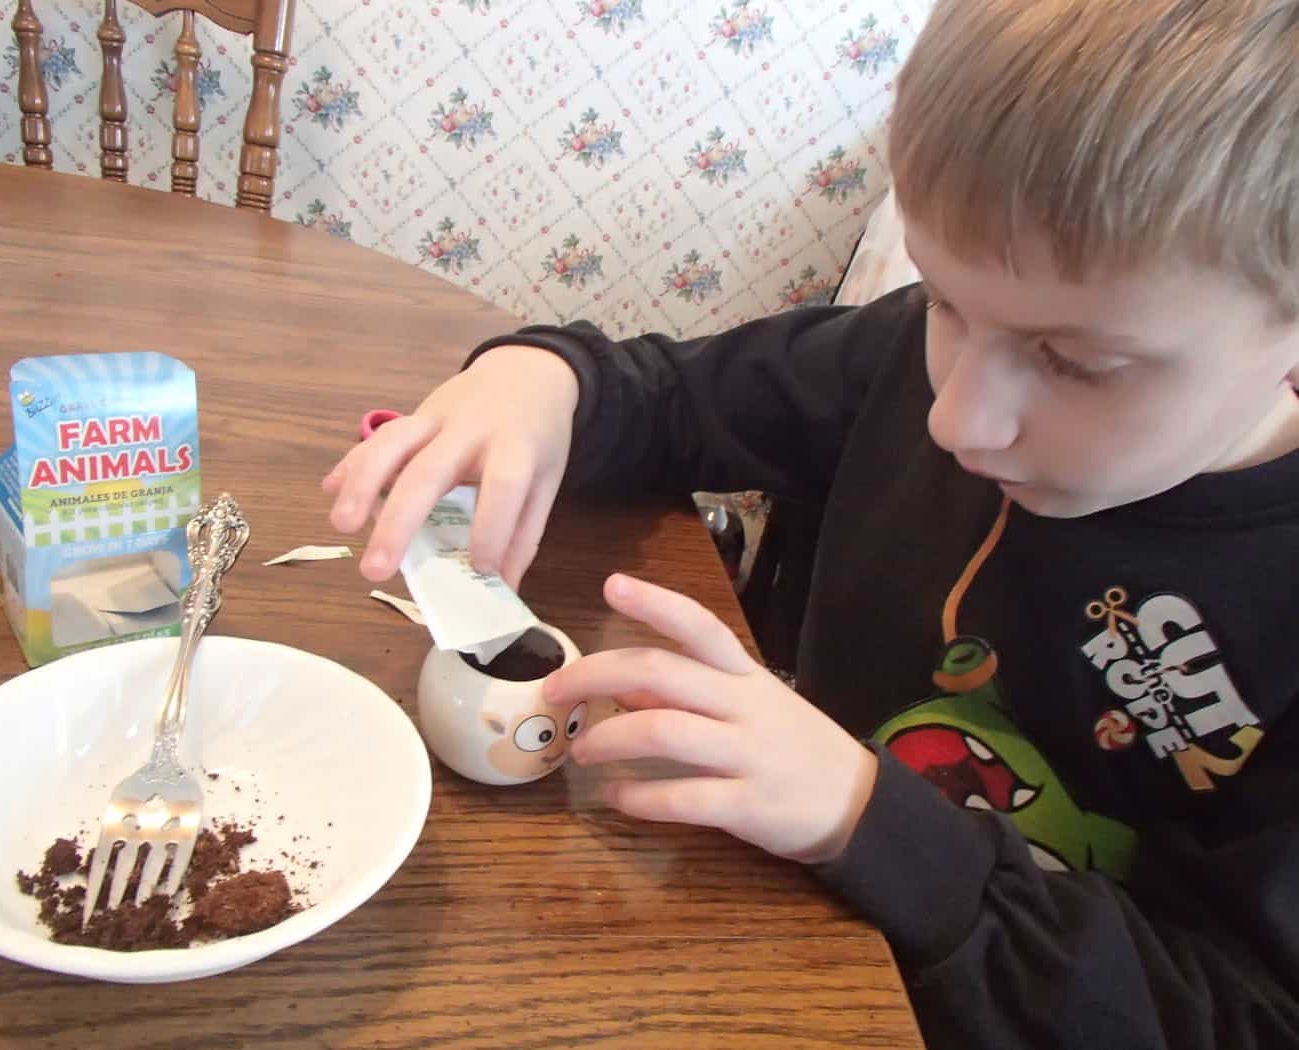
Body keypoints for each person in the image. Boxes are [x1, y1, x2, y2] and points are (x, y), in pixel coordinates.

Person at [323, 1, 1299, 1045]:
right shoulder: (902, 367)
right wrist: (539, 376)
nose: (954, 417)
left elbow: (1235, 1016)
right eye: (942, 302)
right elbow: (674, 397)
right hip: (751, 930)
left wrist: (859, 814)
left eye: (1075, 363)